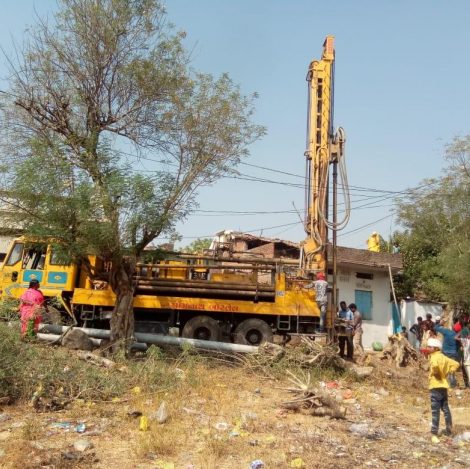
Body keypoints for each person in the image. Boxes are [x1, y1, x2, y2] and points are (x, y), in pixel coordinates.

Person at [427, 337, 459, 437]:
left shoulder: (434, 357)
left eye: (430, 347)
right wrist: (450, 372)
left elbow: (435, 366)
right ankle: (449, 430)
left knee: (435, 411)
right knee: (445, 409)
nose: (428, 348)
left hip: (435, 386)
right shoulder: (443, 357)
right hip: (443, 386)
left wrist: (436, 372)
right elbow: (456, 364)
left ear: (436, 348)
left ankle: (434, 433)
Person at [434, 320, 459, 388]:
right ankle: (452, 384)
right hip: (454, 353)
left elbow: (435, 327)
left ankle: (445, 383)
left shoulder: (447, 331)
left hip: (445, 353)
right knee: (452, 368)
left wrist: (440, 323)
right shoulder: (459, 335)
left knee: (445, 368)